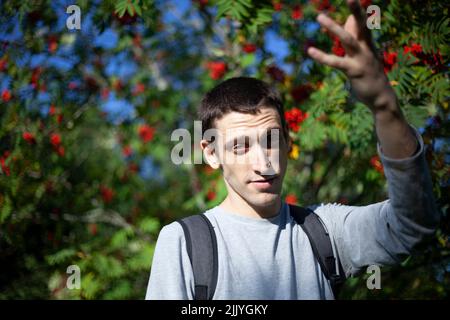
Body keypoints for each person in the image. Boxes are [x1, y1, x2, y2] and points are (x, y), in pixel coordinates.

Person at [145, 0, 439, 299]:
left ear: (288, 142)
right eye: (240, 146)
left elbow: (413, 227)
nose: (263, 162)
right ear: (210, 153)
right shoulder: (185, 243)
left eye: (271, 140)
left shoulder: (325, 232)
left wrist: (383, 105)